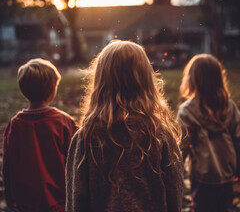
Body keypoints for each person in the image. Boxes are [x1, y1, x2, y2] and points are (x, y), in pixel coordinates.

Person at [66, 40, 184, 212]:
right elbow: (175, 195)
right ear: (145, 80)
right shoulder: (161, 134)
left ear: (100, 81)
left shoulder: (85, 137)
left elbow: (76, 200)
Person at [2, 58, 78, 212]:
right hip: (60, 203)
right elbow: (76, 163)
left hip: (25, 204)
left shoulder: (14, 125)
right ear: (52, 89)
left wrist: (11, 200)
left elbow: (7, 166)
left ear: (23, 90)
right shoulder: (64, 122)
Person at [177, 54, 240, 212]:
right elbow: (238, 139)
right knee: (225, 207)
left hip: (202, 176)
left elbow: (182, 148)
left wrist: (175, 173)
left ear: (192, 79)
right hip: (226, 173)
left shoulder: (187, 111)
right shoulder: (230, 107)